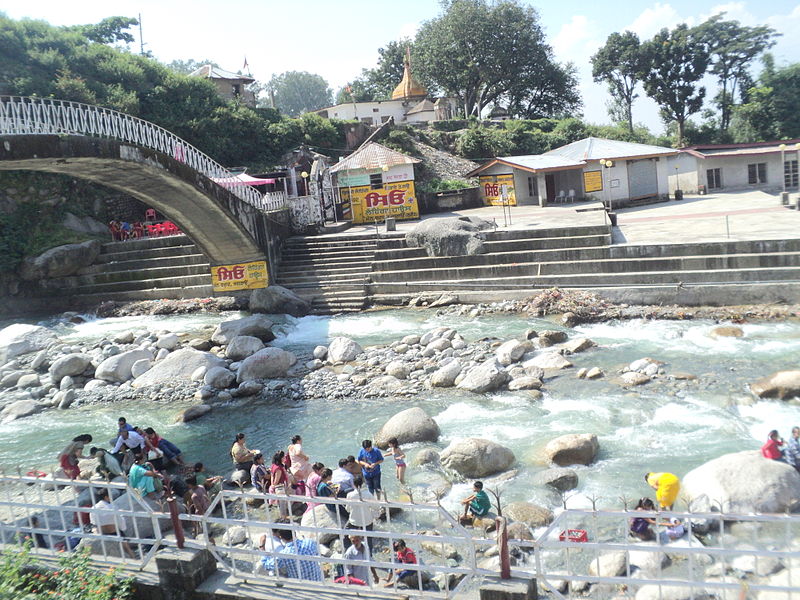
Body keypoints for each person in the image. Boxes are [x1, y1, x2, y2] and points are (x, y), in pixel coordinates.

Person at [90, 488, 135, 558]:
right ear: (106, 497)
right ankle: (132, 556)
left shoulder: (93, 508)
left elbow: (93, 522)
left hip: (102, 531)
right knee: (126, 546)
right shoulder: (112, 507)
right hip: (113, 532)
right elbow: (121, 523)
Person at [346, 476, 380, 550]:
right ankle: (369, 554)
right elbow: (376, 507)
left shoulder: (350, 495)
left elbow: (348, 509)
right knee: (368, 539)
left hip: (354, 520)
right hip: (367, 521)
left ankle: (348, 549)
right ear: (362, 483)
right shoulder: (368, 494)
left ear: (354, 484)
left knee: (345, 532)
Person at [270, 451, 293, 518]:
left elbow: (272, 476)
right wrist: (273, 485)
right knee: (282, 503)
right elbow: (276, 481)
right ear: (281, 458)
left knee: (280, 503)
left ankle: (283, 516)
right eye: (283, 456)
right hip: (280, 487)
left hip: (279, 487)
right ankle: (284, 517)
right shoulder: (279, 469)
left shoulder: (274, 465)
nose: (285, 457)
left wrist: (272, 485)